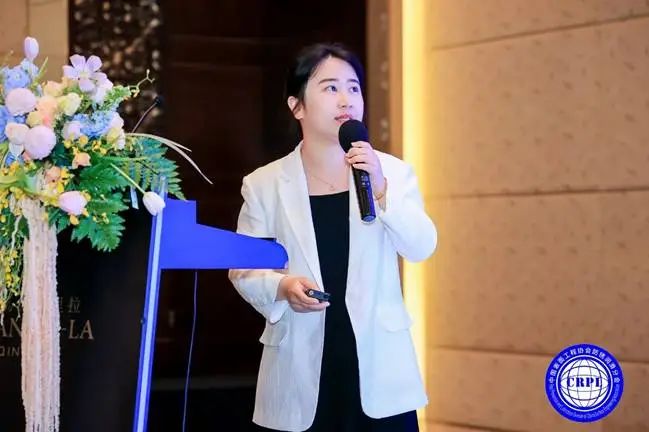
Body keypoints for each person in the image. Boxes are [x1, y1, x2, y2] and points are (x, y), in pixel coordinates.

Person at [228, 43, 437, 432]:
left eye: (353, 88)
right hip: (299, 368)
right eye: (330, 88)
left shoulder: (391, 172)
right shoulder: (264, 184)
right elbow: (243, 269)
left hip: (379, 370)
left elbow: (421, 246)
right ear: (297, 106)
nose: (346, 99)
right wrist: (282, 286)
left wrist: (381, 190)